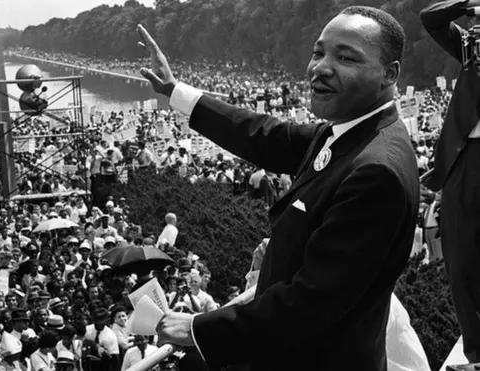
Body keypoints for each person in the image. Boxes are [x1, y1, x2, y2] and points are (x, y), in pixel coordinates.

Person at [137, 5, 420, 371]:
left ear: (389, 74)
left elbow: (311, 304)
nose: (320, 67)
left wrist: (196, 328)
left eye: (346, 58)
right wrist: (176, 92)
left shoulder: (375, 170)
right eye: (318, 52)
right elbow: (263, 135)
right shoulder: (349, 132)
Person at [420, 0, 480, 363]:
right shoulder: (470, 48)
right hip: (463, 161)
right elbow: (430, 18)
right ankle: (475, 347)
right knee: (460, 259)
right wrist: (469, 5)